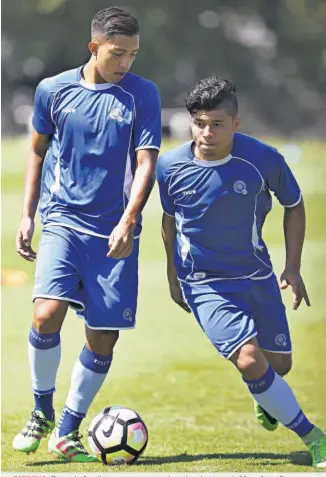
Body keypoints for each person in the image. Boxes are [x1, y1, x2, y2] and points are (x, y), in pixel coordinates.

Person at [13, 6, 161, 462]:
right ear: (94, 47)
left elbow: (146, 163)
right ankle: (40, 412)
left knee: (102, 337)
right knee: (45, 314)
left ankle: (68, 429)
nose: (126, 64)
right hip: (62, 220)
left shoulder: (143, 94)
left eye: (134, 55)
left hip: (114, 230)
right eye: (118, 54)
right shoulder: (52, 91)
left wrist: (129, 219)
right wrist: (28, 214)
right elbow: (37, 153)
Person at [156, 76, 326, 468]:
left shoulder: (263, 159)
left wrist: (294, 267)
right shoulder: (170, 166)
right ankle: (313, 437)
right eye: (199, 123)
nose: (206, 132)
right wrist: (172, 278)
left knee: (278, 365)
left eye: (216, 124)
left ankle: (264, 395)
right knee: (250, 360)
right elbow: (170, 223)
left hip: (256, 275)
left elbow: (294, 205)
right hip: (203, 282)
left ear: (236, 123)